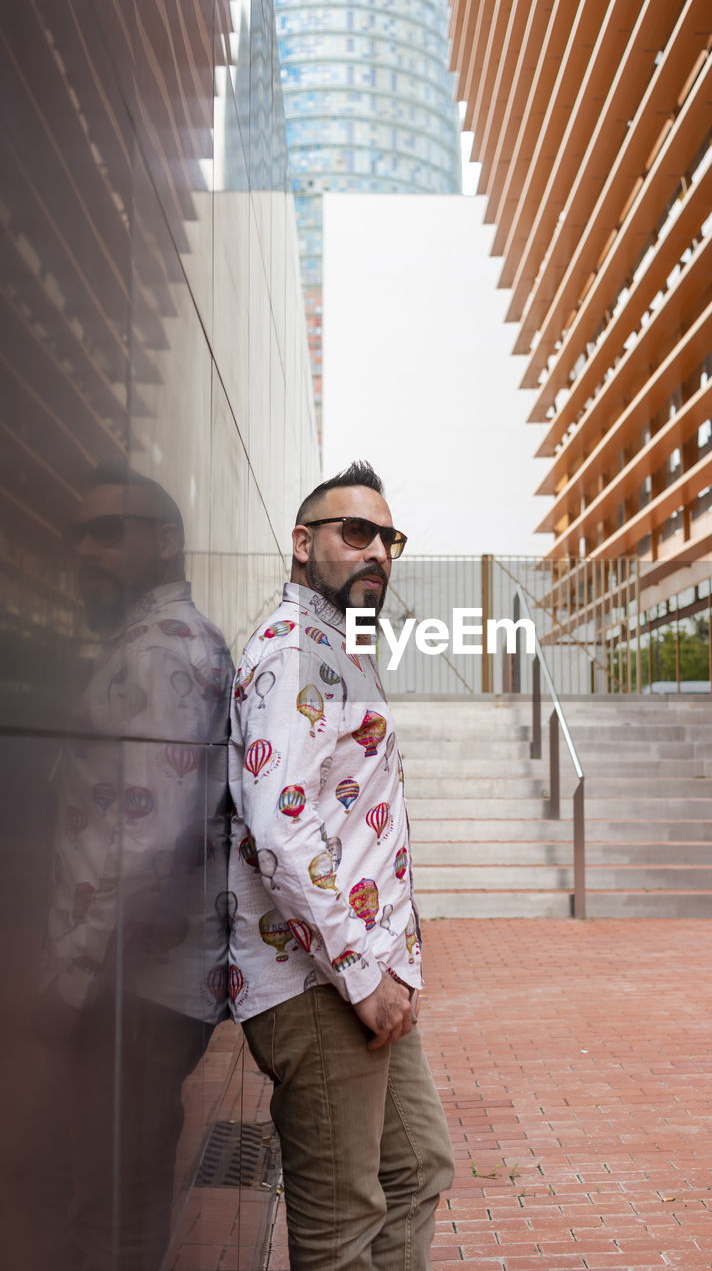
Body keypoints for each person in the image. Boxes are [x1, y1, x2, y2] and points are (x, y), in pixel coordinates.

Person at [228, 461, 454, 1270]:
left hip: (360, 977)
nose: (377, 553)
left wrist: (390, 966)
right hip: (319, 984)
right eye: (354, 532)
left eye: (387, 538)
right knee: (341, 1231)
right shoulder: (293, 653)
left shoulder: (339, 647)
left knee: (418, 1167)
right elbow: (280, 833)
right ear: (302, 543)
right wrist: (366, 977)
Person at [33, 464, 232, 1270]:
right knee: (114, 1204)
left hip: (131, 986)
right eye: (80, 533)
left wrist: (74, 979)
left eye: (110, 531)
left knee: (110, 1217)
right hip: (140, 979)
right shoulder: (161, 642)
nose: (87, 548)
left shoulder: (157, 652)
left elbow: (154, 837)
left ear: (165, 542)